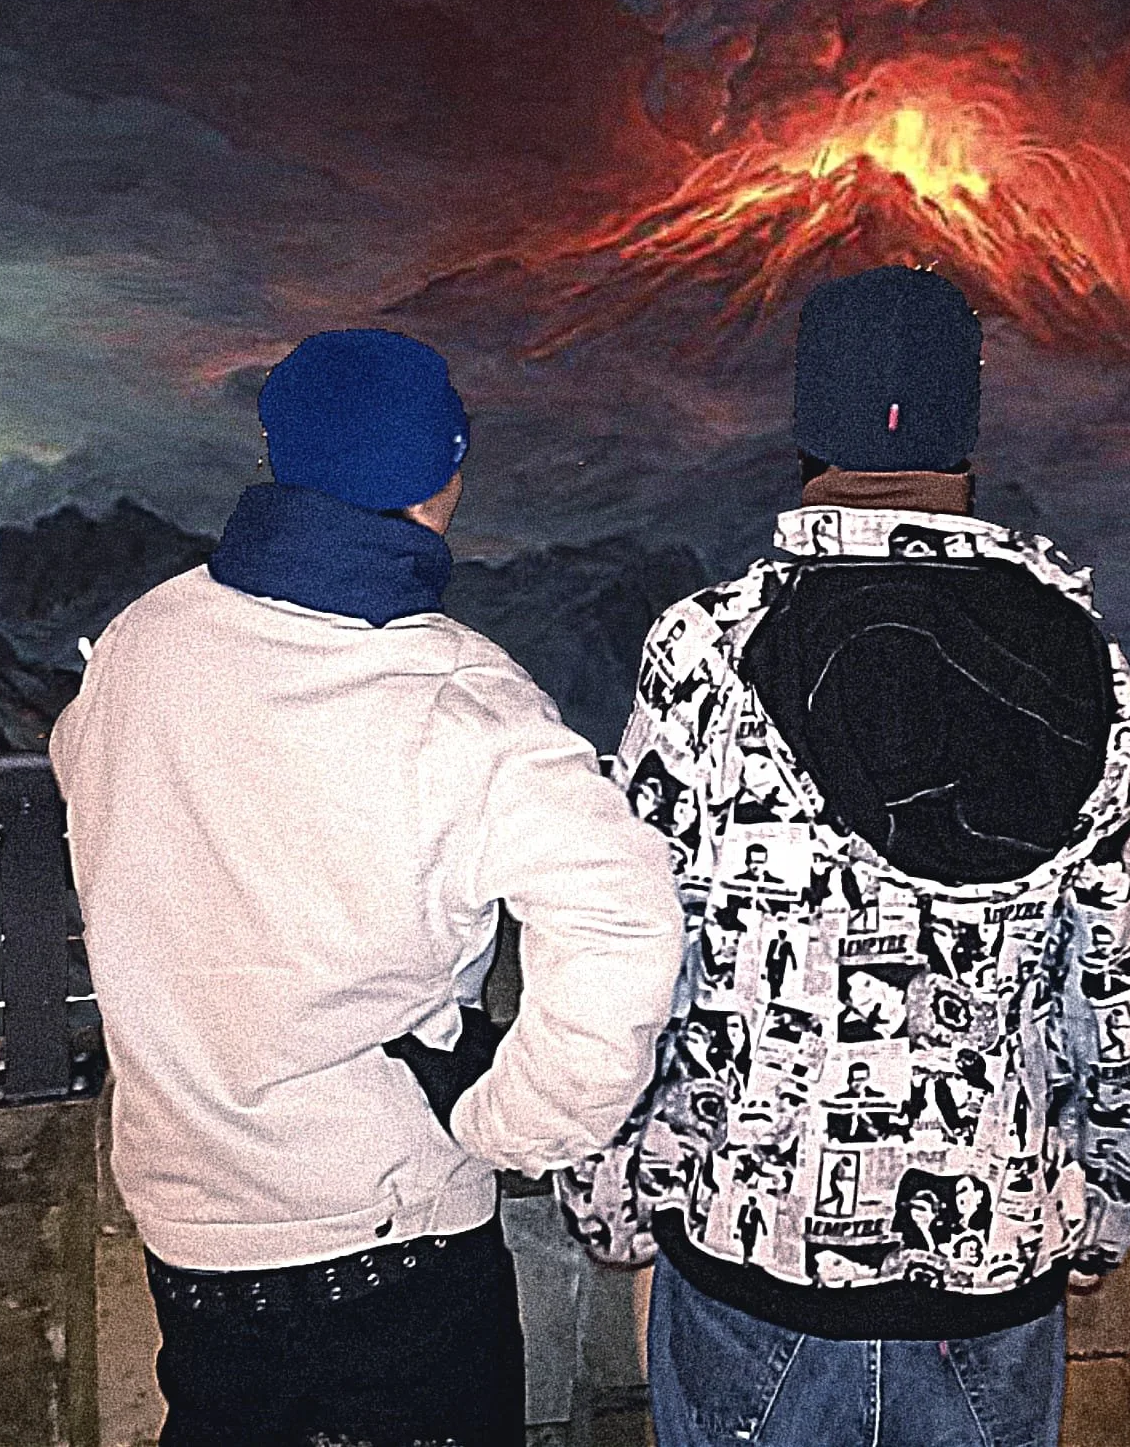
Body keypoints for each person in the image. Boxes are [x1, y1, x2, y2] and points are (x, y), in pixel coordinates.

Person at [558, 267, 1130, 1447]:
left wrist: (607, 1194)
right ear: (968, 428)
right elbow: (1123, 970)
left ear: (806, 423)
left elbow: (625, 941)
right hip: (995, 1275)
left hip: (751, 1273)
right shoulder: (1081, 658)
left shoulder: (705, 650)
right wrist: (1101, 1209)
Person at [51, 328, 684, 1447]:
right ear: (446, 472)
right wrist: (510, 1122)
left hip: (192, 1230)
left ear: (277, 456)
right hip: (396, 1238)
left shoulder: (140, 650)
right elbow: (623, 913)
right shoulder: (457, 696)